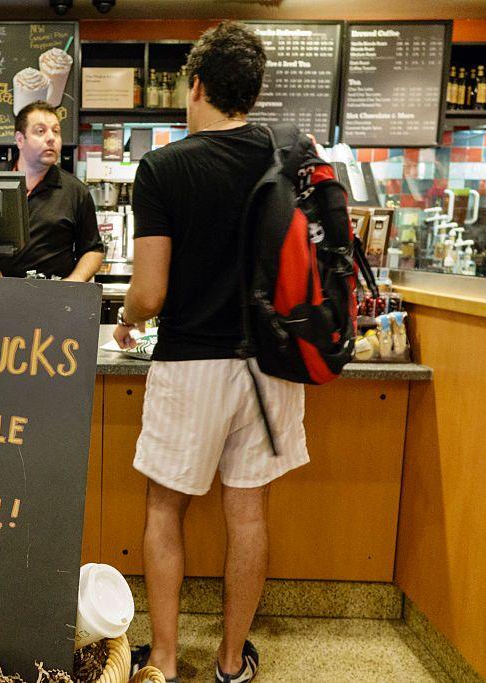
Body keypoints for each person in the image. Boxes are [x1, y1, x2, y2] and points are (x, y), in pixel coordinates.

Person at [114, 22, 310, 683]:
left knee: (166, 507)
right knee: (247, 509)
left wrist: (124, 319)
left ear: (195, 85)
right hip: (270, 367)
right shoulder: (289, 159)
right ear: (250, 92)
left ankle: (165, 661)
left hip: (190, 365)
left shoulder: (165, 166)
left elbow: (149, 291)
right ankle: (232, 661)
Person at [0, 102, 104, 281]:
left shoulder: (75, 191)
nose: (51, 138)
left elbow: (93, 250)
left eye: (56, 131)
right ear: (20, 139)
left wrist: (71, 284)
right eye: (40, 131)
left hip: (51, 298)